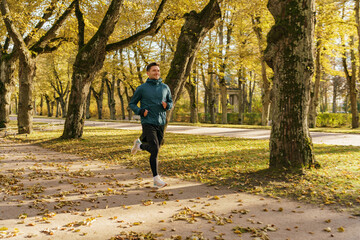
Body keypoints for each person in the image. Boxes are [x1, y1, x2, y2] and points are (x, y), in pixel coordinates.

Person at [128, 62, 173, 188]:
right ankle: (156, 179)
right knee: (155, 148)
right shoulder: (142, 88)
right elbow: (132, 104)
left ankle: (140, 145)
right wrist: (140, 111)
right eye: (154, 70)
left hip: (160, 122)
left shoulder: (165, 87)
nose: (157, 72)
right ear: (148, 73)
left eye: (158, 70)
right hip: (148, 121)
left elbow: (170, 101)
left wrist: (167, 105)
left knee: (156, 148)